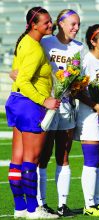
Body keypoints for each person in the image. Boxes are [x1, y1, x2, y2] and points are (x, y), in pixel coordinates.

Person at [5, 6, 60, 219]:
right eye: (46, 22)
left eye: (50, 21)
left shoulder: (25, 41)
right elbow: (24, 80)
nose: (50, 24)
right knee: (31, 159)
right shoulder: (35, 48)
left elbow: (17, 73)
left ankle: (20, 207)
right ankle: (32, 209)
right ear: (34, 25)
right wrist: (44, 100)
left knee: (17, 159)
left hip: (16, 102)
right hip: (29, 104)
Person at [37, 9, 83, 217]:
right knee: (43, 157)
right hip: (46, 107)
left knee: (63, 156)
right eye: (72, 24)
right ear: (61, 24)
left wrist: (76, 87)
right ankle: (41, 203)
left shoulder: (80, 48)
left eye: (78, 24)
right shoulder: (45, 43)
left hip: (66, 107)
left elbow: (80, 78)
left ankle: (63, 205)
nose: (76, 28)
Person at [74, 24, 99, 217]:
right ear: (93, 41)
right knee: (91, 160)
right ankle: (88, 205)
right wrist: (94, 105)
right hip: (89, 115)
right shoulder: (86, 61)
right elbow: (76, 90)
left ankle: (97, 203)